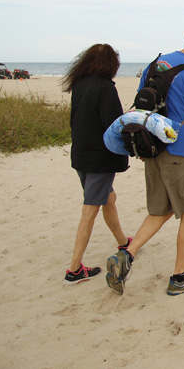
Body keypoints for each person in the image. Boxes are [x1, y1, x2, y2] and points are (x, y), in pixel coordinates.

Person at [105, 24, 184, 296]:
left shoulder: (155, 64)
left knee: (160, 210)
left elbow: (139, 110)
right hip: (183, 154)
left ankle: (126, 255)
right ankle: (179, 277)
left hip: (154, 152)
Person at [60, 44, 131, 285]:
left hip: (81, 156)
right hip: (99, 159)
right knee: (89, 210)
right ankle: (74, 270)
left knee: (108, 198)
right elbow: (114, 126)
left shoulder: (80, 85)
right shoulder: (105, 88)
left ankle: (123, 242)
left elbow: (75, 121)